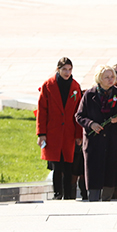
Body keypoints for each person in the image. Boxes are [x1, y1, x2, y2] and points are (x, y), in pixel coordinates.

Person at [75, 65, 117, 201]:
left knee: (110, 174)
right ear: (99, 78)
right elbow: (79, 116)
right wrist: (91, 124)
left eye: (112, 77)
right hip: (94, 142)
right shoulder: (89, 94)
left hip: (112, 141)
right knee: (94, 173)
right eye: (107, 77)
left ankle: (107, 199)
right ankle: (93, 199)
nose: (111, 79)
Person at [36, 57, 83, 200]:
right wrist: (41, 133)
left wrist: (78, 134)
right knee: (57, 165)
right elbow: (42, 110)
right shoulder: (48, 85)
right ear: (58, 69)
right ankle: (57, 194)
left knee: (68, 163)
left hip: (69, 132)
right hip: (53, 132)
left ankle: (68, 195)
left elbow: (78, 111)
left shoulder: (75, 86)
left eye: (69, 69)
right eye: (64, 69)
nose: (67, 72)